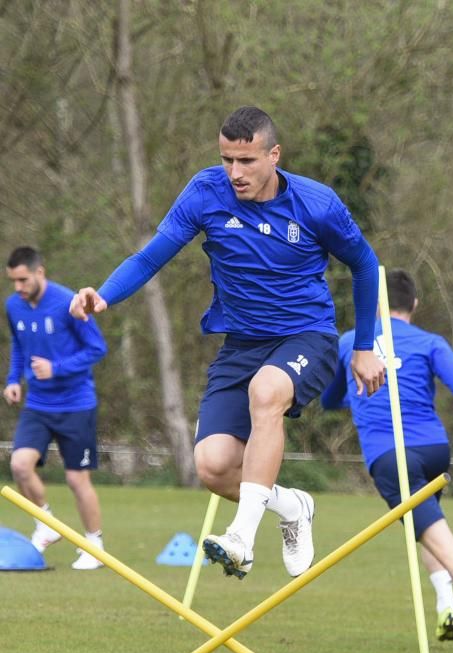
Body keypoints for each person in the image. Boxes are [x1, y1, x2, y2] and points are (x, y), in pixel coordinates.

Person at [69, 105, 385, 580]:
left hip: (307, 336)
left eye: (247, 161)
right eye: (227, 160)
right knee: (213, 466)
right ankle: (292, 507)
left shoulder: (317, 204)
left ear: (274, 155)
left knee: (267, 392)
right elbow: (151, 256)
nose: (235, 172)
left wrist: (363, 346)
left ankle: (241, 535)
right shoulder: (205, 193)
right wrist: (104, 296)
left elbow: (364, 265)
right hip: (241, 344)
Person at [321, 268, 453, 639]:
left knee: (446, 547)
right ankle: (446, 603)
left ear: (373, 304)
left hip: (392, 459)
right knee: (430, 528)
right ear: (414, 304)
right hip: (435, 450)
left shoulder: (351, 343)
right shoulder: (430, 342)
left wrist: (354, 396)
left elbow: (328, 398)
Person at [4, 246, 108, 570]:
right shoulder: (13, 306)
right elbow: (19, 346)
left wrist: (57, 368)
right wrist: (13, 380)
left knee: (77, 480)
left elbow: (97, 348)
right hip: (38, 404)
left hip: (77, 404)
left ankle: (94, 545)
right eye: (13, 281)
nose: (18, 287)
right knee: (20, 465)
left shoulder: (68, 303)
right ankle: (46, 524)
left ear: (39, 272)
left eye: (23, 280)